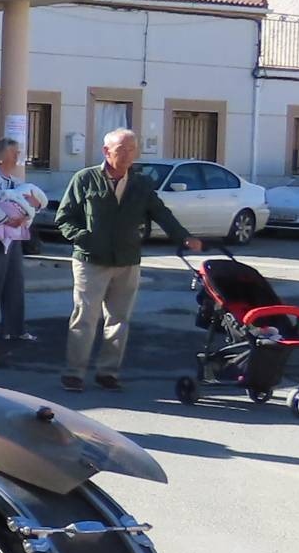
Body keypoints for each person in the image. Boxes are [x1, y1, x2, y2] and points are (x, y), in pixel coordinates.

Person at [52, 129, 202, 395]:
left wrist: (184, 237)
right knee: (85, 317)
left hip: (127, 259)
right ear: (106, 151)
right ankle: (74, 373)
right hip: (91, 260)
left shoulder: (140, 183)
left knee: (119, 319)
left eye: (132, 149)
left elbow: (161, 213)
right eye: (122, 149)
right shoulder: (85, 179)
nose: (128, 155)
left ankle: (108, 372)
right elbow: (64, 218)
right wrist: (82, 237)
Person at [0, 138, 48, 362]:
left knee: (15, 281)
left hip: (13, 238)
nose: (18, 156)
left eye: (18, 152)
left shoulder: (16, 181)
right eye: (14, 152)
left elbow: (31, 202)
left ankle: (15, 328)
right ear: (0, 157)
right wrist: (8, 219)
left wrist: (27, 212)